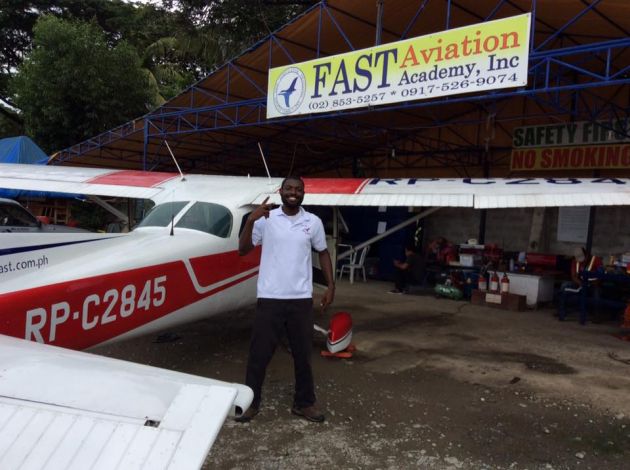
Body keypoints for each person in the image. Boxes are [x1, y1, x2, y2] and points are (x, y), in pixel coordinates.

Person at [236, 176, 335, 423]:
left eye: (298, 189)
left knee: (303, 355)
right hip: (270, 297)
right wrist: (250, 220)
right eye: (289, 188)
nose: (293, 192)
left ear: (303, 193)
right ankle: (251, 402)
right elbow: (243, 249)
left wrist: (331, 285)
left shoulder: (312, 222)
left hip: (300, 298)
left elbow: (323, 252)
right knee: (259, 353)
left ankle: (304, 403)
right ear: (281, 191)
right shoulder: (265, 219)